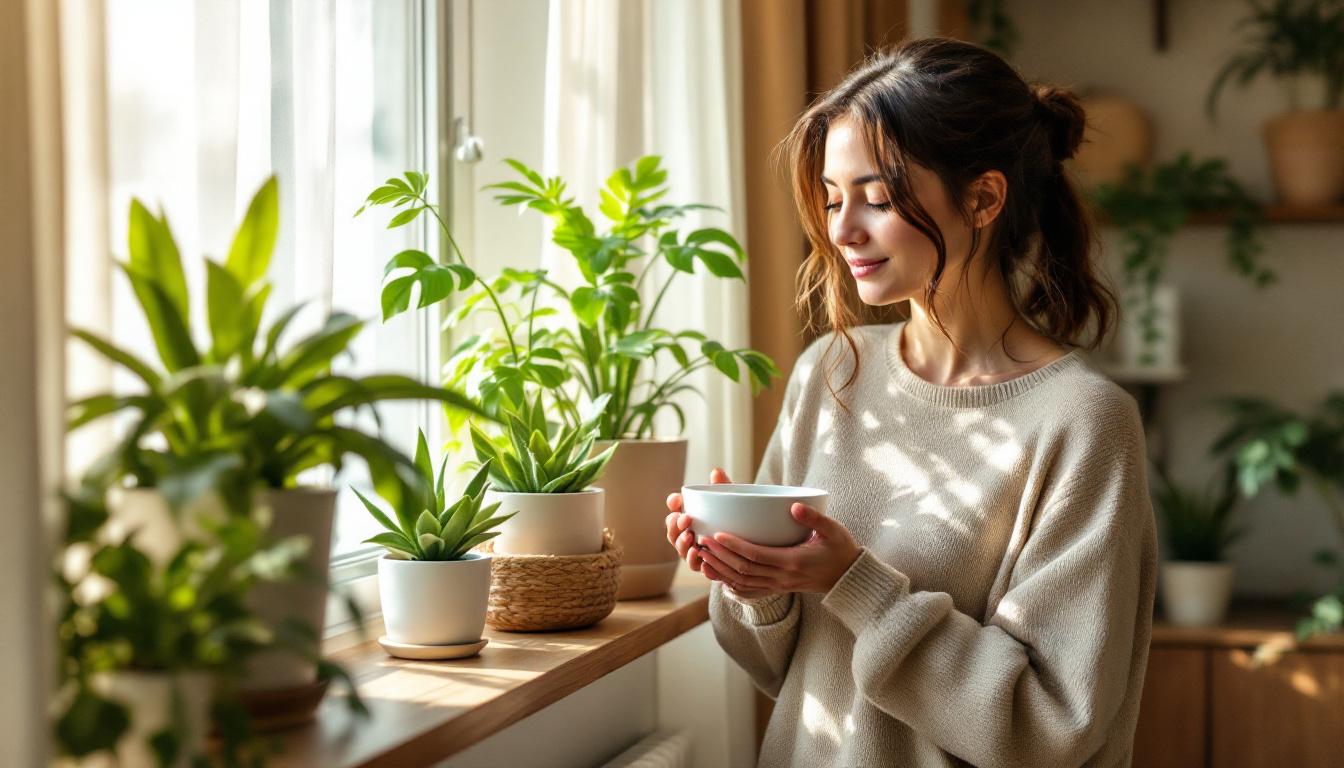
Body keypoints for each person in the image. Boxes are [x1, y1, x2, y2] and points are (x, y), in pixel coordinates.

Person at [664, 37, 1156, 768]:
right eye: (833, 199)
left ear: (984, 197)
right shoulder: (830, 372)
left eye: (877, 197)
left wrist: (851, 581)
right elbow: (780, 667)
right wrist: (755, 579)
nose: (841, 230)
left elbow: (1051, 727)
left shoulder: (1084, 422)